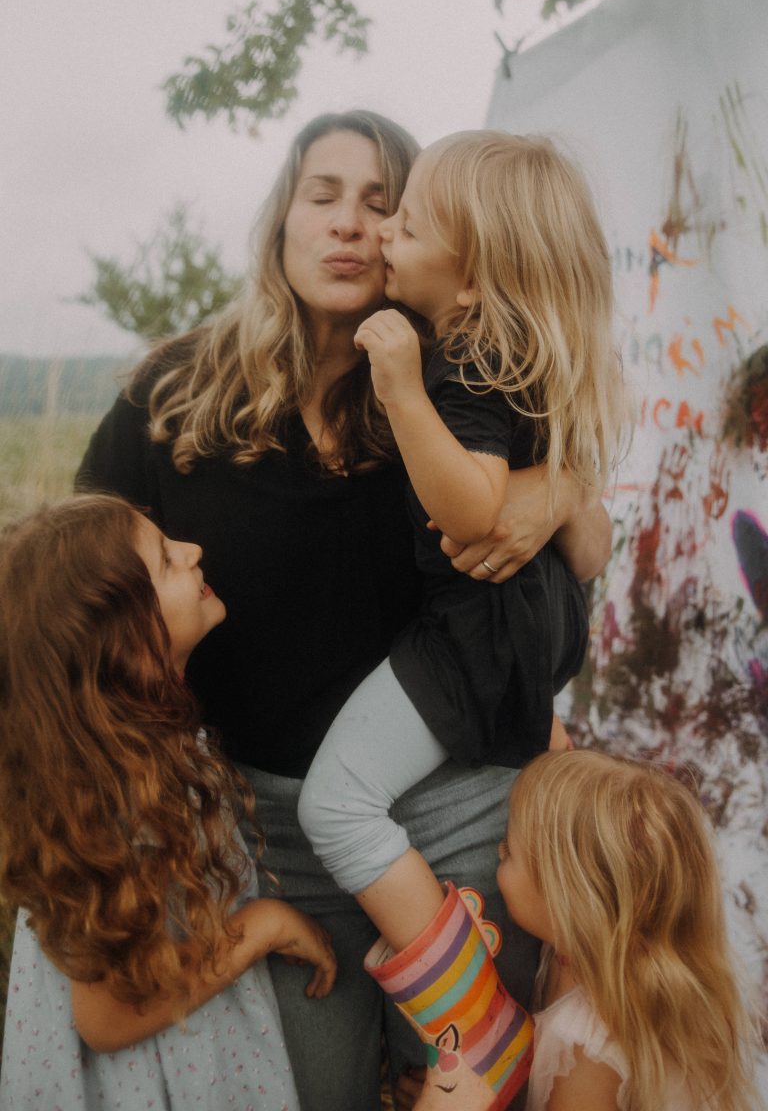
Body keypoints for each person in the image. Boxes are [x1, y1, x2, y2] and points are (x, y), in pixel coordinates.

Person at [75, 110, 613, 1111]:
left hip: (462, 823)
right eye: (322, 195)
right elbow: (77, 597)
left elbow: (573, 550)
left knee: (463, 1086)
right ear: (281, 219)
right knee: (317, 1093)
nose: (351, 224)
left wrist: (559, 490)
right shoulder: (174, 393)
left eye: (382, 203)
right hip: (273, 836)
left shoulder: (454, 378)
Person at [296, 131, 625, 1108]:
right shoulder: (525, 353)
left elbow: (474, 512)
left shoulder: (464, 361)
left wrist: (402, 389)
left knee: (335, 805)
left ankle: (476, 1023)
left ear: (473, 277)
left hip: (472, 641)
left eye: (404, 221)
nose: (381, 234)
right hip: (528, 639)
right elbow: (583, 549)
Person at [0, 493, 336, 1110]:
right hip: (153, 1079)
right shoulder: (114, 799)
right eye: (164, 560)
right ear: (124, 642)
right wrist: (262, 927)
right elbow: (106, 1019)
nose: (193, 550)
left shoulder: (143, 751)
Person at [496, 749, 759, 1111]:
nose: (498, 852)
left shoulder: (587, 1048)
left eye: (509, 851)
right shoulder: (570, 950)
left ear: (567, 899)